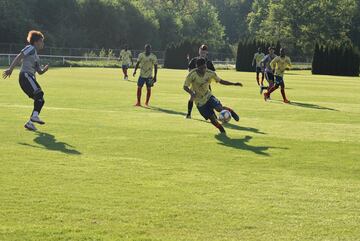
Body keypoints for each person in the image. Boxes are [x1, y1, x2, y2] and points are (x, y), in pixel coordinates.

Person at [2, 30, 49, 131]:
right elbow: (20, 56)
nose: (43, 43)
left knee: (40, 99)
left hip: (28, 78)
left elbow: (39, 71)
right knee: (39, 94)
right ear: (36, 42)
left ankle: (30, 123)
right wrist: (10, 69)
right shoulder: (30, 48)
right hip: (26, 76)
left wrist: (44, 70)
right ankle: (34, 117)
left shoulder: (36, 56)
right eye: (42, 41)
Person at [183, 58, 242, 134]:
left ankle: (231, 111)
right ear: (197, 67)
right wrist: (191, 93)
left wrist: (234, 84)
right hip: (199, 102)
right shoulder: (191, 74)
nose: (204, 70)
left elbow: (221, 81)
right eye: (201, 68)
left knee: (219, 108)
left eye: (205, 67)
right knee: (213, 120)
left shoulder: (210, 73)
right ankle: (221, 129)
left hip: (208, 96)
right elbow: (185, 87)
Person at [186, 44, 215, 119]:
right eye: (201, 51)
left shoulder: (208, 62)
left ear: (206, 52)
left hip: (206, 85)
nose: (203, 53)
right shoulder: (194, 60)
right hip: (195, 84)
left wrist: (208, 80)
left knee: (208, 99)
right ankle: (189, 114)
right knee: (192, 97)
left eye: (204, 51)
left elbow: (213, 73)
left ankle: (213, 115)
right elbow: (189, 70)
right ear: (199, 51)